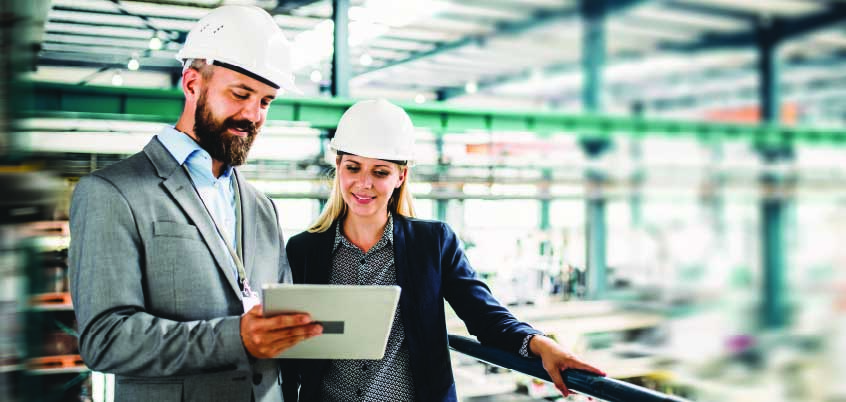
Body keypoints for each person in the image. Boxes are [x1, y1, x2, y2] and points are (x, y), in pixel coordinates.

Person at [68, 6, 322, 402]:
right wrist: (234, 337)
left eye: (266, 102)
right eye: (240, 94)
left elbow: (276, 318)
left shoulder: (261, 206)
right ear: (191, 83)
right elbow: (105, 339)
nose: (252, 115)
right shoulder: (113, 193)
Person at [282, 100, 604, 401]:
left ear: (400, 176)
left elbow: (485, 316)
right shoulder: (304, 250)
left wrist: (540, 344)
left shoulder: (432, 243)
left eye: (380, 172)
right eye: (353, 168)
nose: (364, 183)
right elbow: (289, 342)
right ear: (338, 167)